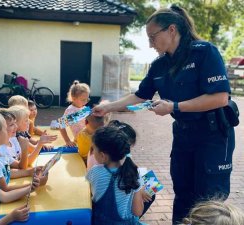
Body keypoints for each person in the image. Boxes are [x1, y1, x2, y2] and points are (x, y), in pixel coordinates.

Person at [93, 5, 235, 224]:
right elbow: (140, 95)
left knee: (208, 199)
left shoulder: (204, 52)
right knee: (182, 191)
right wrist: (108, 107)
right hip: (184, 136)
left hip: (213, 136)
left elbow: (220, 98)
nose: (150, 44)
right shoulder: (159, 65)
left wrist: (174, 107)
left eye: (152, 37)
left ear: (171, 30)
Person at [86, 126, 152, 225]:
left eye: (93, 149)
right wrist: (139, 191)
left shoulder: (94, 172)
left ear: (103, 156)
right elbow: (137, 211)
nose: (92, 152)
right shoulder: (132, 174)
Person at [60, 80, 90, 147]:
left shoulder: (83, 108)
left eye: (87, 99)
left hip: (86, 137)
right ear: (74, 99)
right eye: (83, 100)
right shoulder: (71, 111)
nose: (86, 102)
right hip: (81, 140)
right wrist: (67, 141)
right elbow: (61, 126)